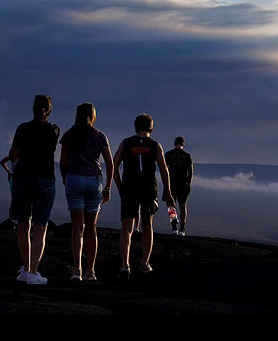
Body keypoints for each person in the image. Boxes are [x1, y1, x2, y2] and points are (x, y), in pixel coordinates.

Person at [113, 113, 174, 281]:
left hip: (129, 188)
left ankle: (125, 265)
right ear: (151, 129)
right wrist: (167, 191)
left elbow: (114, 163)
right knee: (147, 224)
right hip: (148, 189)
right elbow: (163, 169)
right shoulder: (155, 145)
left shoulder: (126, 143)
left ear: (135, 127)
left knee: (127, 227)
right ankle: (145, 263)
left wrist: (119, 186)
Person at [8, 94, 60, 285]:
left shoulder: (23, 128)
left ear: (33, 109)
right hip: (45, 179)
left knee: (23, 225)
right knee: (40, 228)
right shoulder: (54, 129)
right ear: (49, 110)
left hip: (23, 178)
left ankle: (25, 269)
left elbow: (13, 154)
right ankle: (33, 271)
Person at [59, 102, 113, 283]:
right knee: (91, 227)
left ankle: (77, 270)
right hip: (94, 181)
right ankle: (91, 270)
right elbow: (110, 163)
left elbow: (63, 161)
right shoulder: (100, 136)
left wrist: (65, 179)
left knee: (77, 227)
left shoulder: (69, 135)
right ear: (92, 115)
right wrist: (107, 187)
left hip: (74, 178)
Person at [165, 137, 193, 236]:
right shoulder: (187, 155)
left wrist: (166, 184)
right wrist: (188, 185)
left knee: (171, 205)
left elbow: (164, 169)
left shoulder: (168, 154)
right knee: (182, 205)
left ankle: (174, 227)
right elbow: (190, 172)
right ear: (183, 144)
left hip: (171, 183)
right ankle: (182, 229)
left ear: (174, 143)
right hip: (183, 183)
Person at [0, 155, 15, 220]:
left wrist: (8, 172)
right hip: (15, 179)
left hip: (17, 179)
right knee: (14, 200)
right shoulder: (14, 155)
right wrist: (8, 171)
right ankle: (11, 219)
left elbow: (2, 162)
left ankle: (12, 220)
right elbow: (2, 162)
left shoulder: (14, 155)